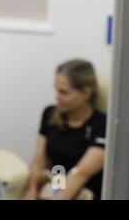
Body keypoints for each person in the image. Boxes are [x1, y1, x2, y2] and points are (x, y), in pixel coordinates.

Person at [22, 59, 106, 200]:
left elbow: (81, 174)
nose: (57, 97)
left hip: (84, 193)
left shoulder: (103, 125)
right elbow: (38, 161)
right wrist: (31, 190)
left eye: (64, 93)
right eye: (56, 90)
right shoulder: (50, 114)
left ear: (86, 93)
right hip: (55, 186)